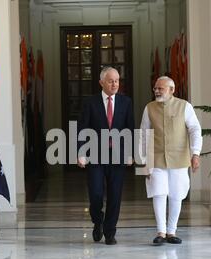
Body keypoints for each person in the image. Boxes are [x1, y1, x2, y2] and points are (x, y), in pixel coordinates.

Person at [140, 76, 202, 245]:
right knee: (158, 193)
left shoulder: (184, 106)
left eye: (161, 88)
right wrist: (144, 160)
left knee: (176, 194)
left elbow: (195, 129)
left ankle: (171, 231)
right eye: (155, 89)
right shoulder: (149, 108)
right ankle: (160, 232)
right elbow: (144, 134)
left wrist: (195, 153)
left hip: (179, 159)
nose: (157, 91)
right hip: (156, 158)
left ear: (172, 90)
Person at [77, 67, 134, 245]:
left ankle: (110, 232)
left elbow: (130, 129)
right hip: (95, 155)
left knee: (115, 196)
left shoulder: (126, 102)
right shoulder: (90, 102)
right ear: (102, 82)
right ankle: (97, 221)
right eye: (111, 81)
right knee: (95, 194)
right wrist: (81, 153)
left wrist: (130, 153)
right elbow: (82, 128)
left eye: (117, 80)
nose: (115, 84)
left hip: (118, 155)